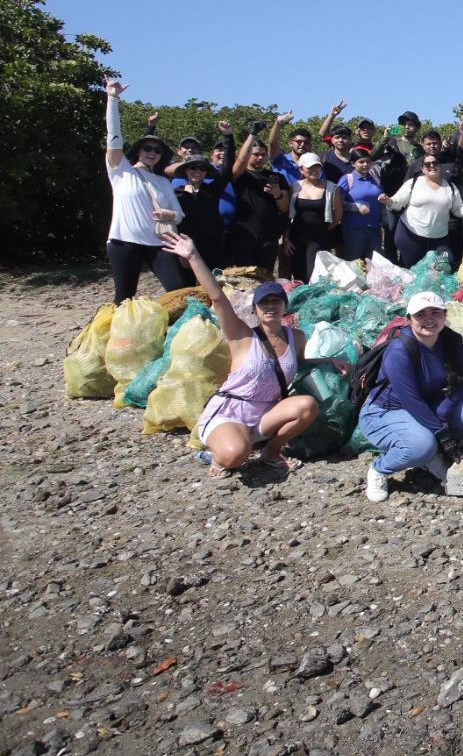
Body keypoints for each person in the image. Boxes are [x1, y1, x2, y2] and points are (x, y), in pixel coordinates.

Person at [166, 235, 335, 478]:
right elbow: (217, 298)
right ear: (255, 309)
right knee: (236, 455)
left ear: (285, 307)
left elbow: (295, 365)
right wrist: (193, 256)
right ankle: (218, 454)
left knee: (307, 406)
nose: (270, 306)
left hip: (265, 415)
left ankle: (271, 452)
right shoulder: (242, 335)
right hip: (230, 412)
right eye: (264, 303)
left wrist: (328, 361)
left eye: (276, 301)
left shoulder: (296, 337)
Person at [357, 291, 463, 503]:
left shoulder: (451, 340)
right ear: (409, 319)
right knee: (422, 445)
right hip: (387, 411)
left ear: (444, 315)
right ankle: (380, 469)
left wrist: (443, 412)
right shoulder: (400, 350)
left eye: (435, 313)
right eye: (421, 315)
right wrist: (441, 432)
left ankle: (432, 454)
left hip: (430, 404)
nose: (429, 319)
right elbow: (411, 400)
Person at [103, 82, 188, 302]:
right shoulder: (122, 171)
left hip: (159, 243)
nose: (152, 153)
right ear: (139, 151)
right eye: (147, 148)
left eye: (157, 150)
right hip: (124, 241)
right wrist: (113, 98)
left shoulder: (163, 182)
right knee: (124, 296)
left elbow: (179, 215)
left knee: (178, 290)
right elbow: (114, 137)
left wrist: (171, 215)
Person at [228, 117, 292, 270]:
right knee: (245, 278)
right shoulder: (239, 175)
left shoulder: (277, 177)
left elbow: (284, 208)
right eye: (256, 154)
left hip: (269, 237)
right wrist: (253, 134)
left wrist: (277, 194)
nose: (260, 158)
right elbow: (240, 161)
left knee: (266, 276)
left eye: (263, 154)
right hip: (243, 236)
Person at [382, 153, 459, 267]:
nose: (432, 166)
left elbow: (458, 210)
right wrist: (388, 201)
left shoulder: (450, 187)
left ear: (439, 166)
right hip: (411, 235)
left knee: (445, 266)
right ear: (422, 169)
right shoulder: (413, 183)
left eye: (435, 163)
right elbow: (397, 202)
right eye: (427, 164)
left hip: (439, 237)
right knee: (412, 270)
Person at [173, 149, 234, 273]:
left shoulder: (212, 190)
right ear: (185, 170)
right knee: (188, 283)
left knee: (218, 281)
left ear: (206, 173)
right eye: (193, 167)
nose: (197, 171)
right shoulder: (176, 193)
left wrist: (227, 140)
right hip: (188, 248)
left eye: (202, 169)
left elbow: (227, 168)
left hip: (214, 247)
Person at [285, 153, 342, 283]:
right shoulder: (294, 187)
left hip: (319, 238)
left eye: (317, 167)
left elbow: (338, 215)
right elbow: (287, 215)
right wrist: (286, 239)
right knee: (299, 274)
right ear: (301, 169)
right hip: (297, 237)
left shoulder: (331, 188)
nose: (314, 170)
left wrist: (325, 230)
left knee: (316, 274)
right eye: (310, 167)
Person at [373, 112, 421, 260]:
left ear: (417, 127)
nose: (407, 127)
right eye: (404, 124)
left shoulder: (420, 148)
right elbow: (372, 156)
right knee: (390, 232)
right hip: (391, 195)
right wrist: (384, 138)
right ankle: (391, 265)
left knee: (410, 232)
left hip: (412, 196)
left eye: (410, 124)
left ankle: (405, 263)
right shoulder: (391, 143)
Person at [337, 146, 384, 261]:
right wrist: (356, 207)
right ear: (353, 164)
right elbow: (337, 203)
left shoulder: (375, 179)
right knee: (355, 263)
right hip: (354, 228)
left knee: (375, 263)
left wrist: (384, 198)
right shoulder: (347, 179)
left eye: (368, 162)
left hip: (374, 228)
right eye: (361, 162)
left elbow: (380, 198)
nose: (365, 165)